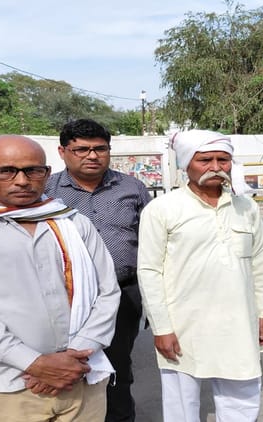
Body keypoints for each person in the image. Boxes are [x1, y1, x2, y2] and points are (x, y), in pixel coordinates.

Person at [0, 135, 120, 421]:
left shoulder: (73, 222)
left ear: (47, 173)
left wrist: (74, 356)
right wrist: (35, 364)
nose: (22, 181)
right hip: (6, 385)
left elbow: (107, 292)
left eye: (33, 170)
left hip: (81, 376)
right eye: (6, 171)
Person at [137, 129, 263, 422]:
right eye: (205, 160)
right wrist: (162, 328)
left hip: (239, 320)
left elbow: (261, 263)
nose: (215, 167)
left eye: (223, 159)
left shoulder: (246, 207)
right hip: (183, 323)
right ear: (185, 164)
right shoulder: (162, 209)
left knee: (242, 394)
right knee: (181, 402)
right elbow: (149, 271)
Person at [45, 118, 150, 422]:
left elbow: (151, 240)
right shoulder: (47, 192)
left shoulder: (132, 187)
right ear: (63, 152)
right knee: (68, 366)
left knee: (117, 368)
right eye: (82, 150)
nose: (92, 156)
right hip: (65, 299)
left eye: (100, 149)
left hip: (122, 294)